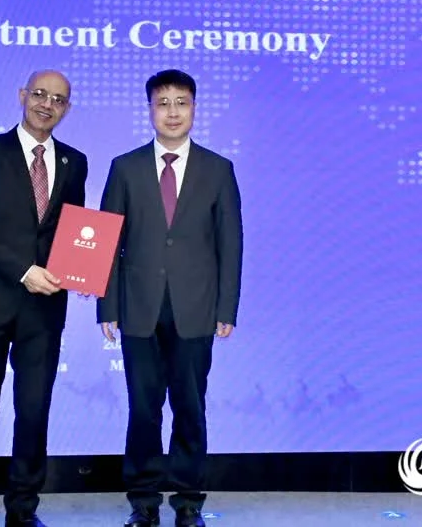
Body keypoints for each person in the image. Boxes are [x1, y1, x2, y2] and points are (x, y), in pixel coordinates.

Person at [97, 70, 243, 527]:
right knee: (143, 410)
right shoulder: (125, 167)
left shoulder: (218, 169)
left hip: (196, 307)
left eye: (182, 102)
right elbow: (107, 239)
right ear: (150, 110)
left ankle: (188, 501)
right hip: (138, 307)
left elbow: (231, 243)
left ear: (194, 108)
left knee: (189, 407)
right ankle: (142, 502)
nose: (173, 112)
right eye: (163, 103)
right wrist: (107, 305)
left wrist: (226, 307)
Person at [0, 70, 88, 527]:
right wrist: (24, 270)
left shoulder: (75, 162)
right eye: (40, 94)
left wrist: (81, 269)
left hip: (44, 307)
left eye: (58, 99)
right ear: (22, 96)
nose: (47, 104)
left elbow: (73, 230)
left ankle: (24, 508)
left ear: (67, 109)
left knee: (33, 411)